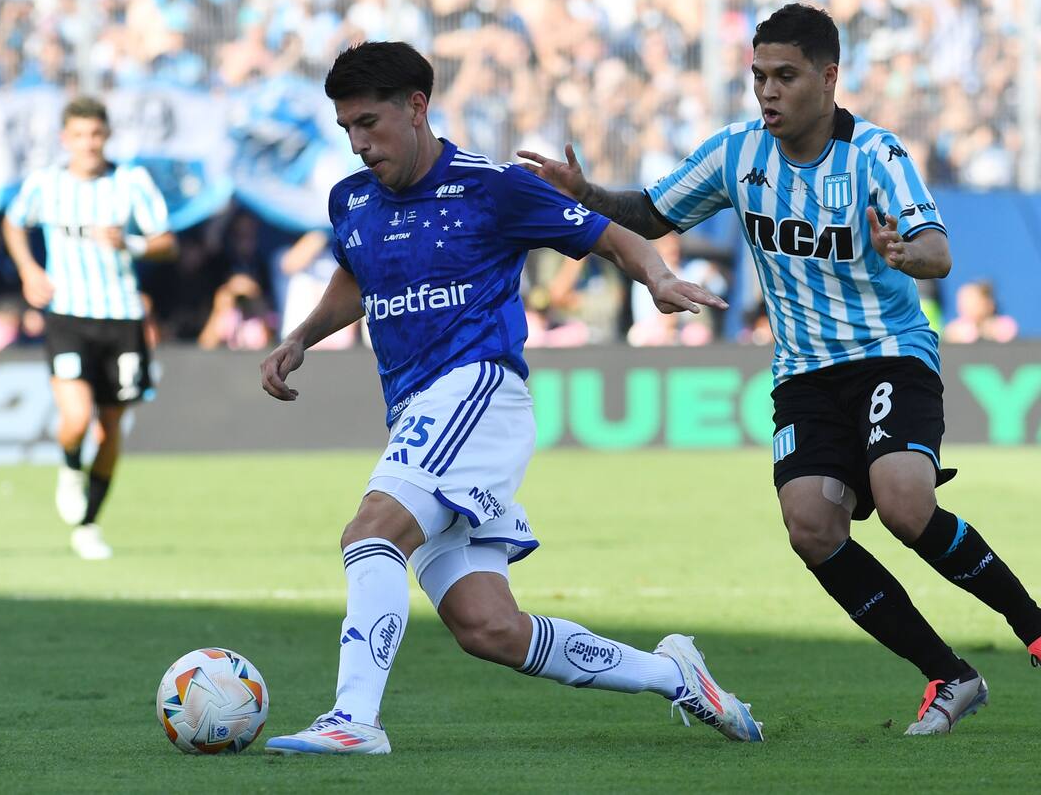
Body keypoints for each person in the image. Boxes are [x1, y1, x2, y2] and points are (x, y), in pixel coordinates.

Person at [519, 3, 1041, 735]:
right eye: (758, 75)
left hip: (889, 352)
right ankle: (948, 675)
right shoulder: (737, 154)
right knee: (811, 527)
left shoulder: (875, 155)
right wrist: (585, 194)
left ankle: (1033, 625)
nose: (767, 91)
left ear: (828, 78)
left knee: (903, 503)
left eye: (785, 76)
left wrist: (901, 253)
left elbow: (936, 250)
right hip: (803, 373)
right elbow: (650, 213)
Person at [258, 41, 763, 755]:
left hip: (478, 390)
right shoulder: (353, 199)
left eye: (369, 122)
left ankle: (352, 722)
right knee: (487, 627)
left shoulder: (490, 188)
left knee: (371, 533)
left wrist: (656, 276)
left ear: (417, 106)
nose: (359, 142)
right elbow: (356, 272)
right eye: (346, 129)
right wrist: (302, 336)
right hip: (419, 411)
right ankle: (674, 675)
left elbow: (611, 236)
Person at [3, 96, 177, 560]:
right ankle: (67, 468)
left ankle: (88, 524)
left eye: (96, 135)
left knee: (110, 425)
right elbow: (13, 223)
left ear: (107, 136)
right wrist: (28, 270)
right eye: (79, 136)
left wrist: (133, 244)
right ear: (65, 139)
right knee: (76, 417)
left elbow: (167, 241)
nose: (88, 144)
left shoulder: (130, 181)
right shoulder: (45, 184)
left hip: (121, 317)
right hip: (68, 314)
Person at [943, 280, 1018, 344]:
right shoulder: (955, 329)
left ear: (988, 303)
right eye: (962, 301)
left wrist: (985, 330)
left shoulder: (1004, 324)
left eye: (972, 300)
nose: (966, 305)